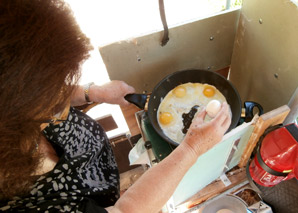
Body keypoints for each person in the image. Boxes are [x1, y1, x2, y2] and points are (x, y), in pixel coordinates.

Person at [0, 0, 232, 212]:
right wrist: (191, 148)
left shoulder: (17, 91)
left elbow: (40, 86)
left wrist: (93, 92)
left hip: (98, 182)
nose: (59, 97)